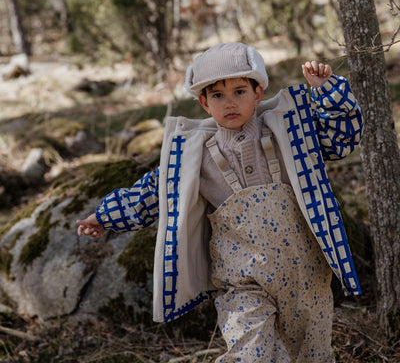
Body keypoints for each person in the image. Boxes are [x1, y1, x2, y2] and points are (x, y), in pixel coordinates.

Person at [77, 42, 363, 362]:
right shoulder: (193, 157)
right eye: (218, 95)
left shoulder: (290, 131)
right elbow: (152, 192)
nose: (230, 103)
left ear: (259, 92)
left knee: (310, 356)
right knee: (250, 353)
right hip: (241, 281)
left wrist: (328, 92)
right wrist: (105, 216)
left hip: (306, 274)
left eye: (240, 91)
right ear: (204, 103)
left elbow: (341, 140)